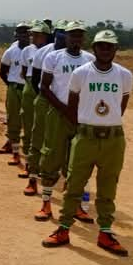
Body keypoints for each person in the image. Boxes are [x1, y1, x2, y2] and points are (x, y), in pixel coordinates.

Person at [42, 30, 132, 256]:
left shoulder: (124, 75)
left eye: (109, 46)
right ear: (94, 48)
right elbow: (72, 105)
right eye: (101, 46)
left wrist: (105, 123)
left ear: (115, 49)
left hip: (113, 139)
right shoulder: (81, 73)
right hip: (86, 137)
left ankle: (105, 231)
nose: (105, 50)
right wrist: (87, 124)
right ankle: (63, 228)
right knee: (74, 184)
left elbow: (121, 106)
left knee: (107, 187)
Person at [35, 21, 94, 222]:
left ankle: (75, 205)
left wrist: (80, 112)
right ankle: (46, 203)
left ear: (83, 38)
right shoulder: (53, 57)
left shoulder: (90, 59)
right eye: (72, 35)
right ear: (65, 37)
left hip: (82, 117)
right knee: (51, 155)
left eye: (79, 35)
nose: (76, 39)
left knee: (78, 161)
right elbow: (44, 87)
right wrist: (64, 109)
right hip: (58, 114)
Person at [22, 21, 53, 195]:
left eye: (37, 34)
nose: (33, 37)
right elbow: (33, 77)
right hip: (40, 93)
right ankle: (32, 169)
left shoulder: (53, 51)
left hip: (56, 98)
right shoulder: (34, 51)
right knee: (35, 131)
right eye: (33, 34)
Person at [0, 22, 31, 167]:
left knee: (29, 122)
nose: (23, 35)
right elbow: (2, 71)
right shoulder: (11, 51)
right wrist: (12, 85)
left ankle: (29, 154)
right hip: (14, 88)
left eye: (26, 32)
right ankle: (15, 153)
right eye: (20, 33)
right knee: (13, 119)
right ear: (16, 35)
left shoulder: (34, 51)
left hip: (29, 89)